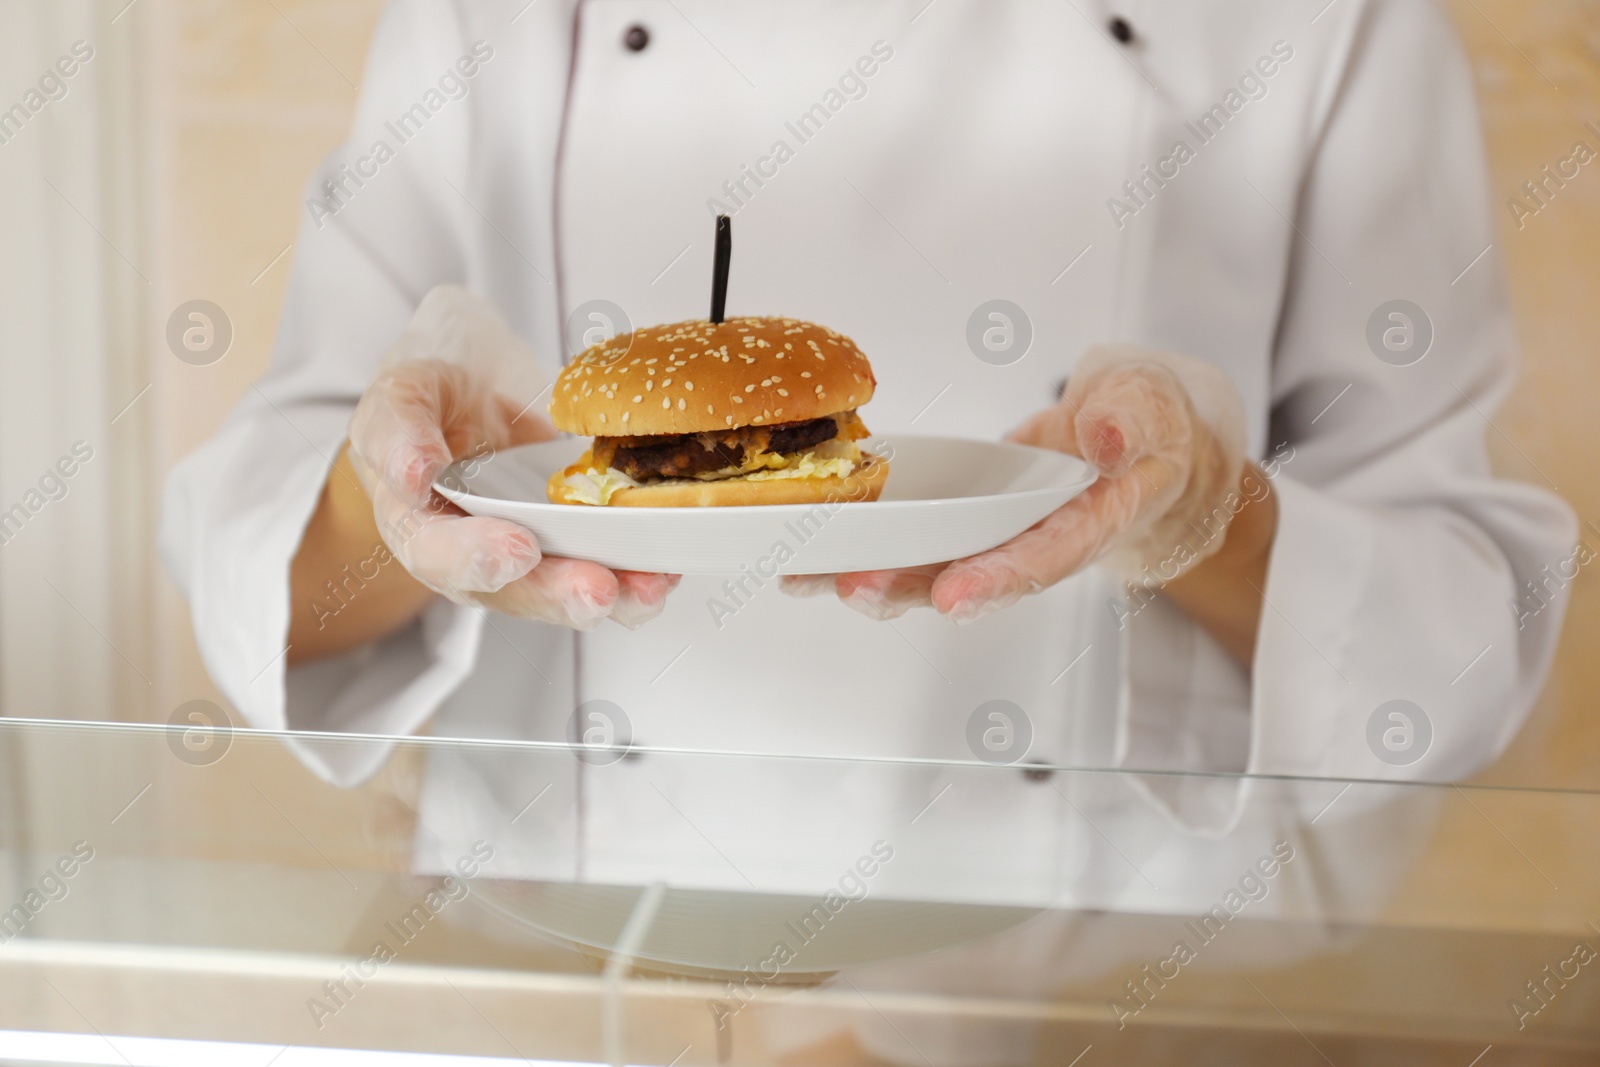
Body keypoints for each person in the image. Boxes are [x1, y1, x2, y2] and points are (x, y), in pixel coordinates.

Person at [161, 0, 1574, 1061]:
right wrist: (408, 495)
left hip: (1121, 1001)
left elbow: (1461, 632)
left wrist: (1199, 511)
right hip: (587, 983)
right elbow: (272, 572)